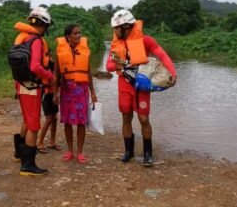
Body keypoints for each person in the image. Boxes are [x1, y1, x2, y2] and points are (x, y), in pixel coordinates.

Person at [106, 9, 177, 166]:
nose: (115, 31)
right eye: (115, 28)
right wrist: (121, 64)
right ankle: (128, 152)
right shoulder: (116, 44)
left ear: (126, 26)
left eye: (117, 28)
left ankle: (147, 155)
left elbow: (163, 55)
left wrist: (173, 72)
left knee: (143, 118)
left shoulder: (146, 40)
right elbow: (109, 66)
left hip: (141, 85)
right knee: (126, 117)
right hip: (124, 85)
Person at [12, 7, 54, 176]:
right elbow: (35, 66)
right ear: (44, 25)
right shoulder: (36, 41)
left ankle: (19, 154)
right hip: (32, 88)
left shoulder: (24, 39)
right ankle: (28, 165)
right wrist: (50, 76)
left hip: (21, 86)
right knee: (34, 126)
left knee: (27, 121)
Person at [53, 24, 98, 164]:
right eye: (75, 33)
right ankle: (70, 150)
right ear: (68, 36)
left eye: (80, 33)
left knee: (81, 121)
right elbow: (57, 75)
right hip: (66, 90)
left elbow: (88, 73)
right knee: (67, 121)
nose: (79, 35)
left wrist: (93, 93)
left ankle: (80, 152)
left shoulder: (84, 50)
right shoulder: (60, 51)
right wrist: (55, 93)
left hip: (81, 90)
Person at [37, 51, 62, 154]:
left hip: (54, 95)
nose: (53, 59)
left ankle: (52, 142)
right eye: (51, 57)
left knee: (54, 118)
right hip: (47, 95)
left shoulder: (55, 69)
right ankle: (40, 143)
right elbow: (50, 82)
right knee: (48, 119)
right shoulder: (44, 69)